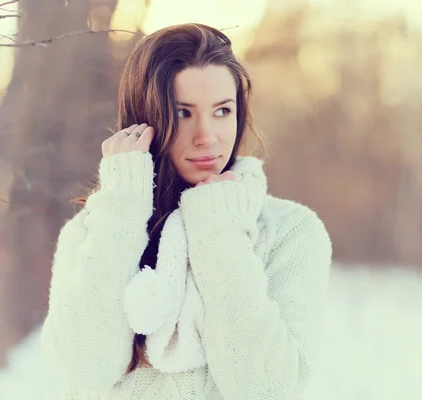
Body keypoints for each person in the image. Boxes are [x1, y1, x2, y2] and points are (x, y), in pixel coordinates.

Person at [41, 23, 332, 400]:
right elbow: (86, 370)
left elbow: (267, 389)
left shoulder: (290, 233)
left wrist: (219, 232)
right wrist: (122, 208)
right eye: (183, 113)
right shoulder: (94, 230)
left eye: (222, 111)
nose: (207, 136)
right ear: (144, 119)